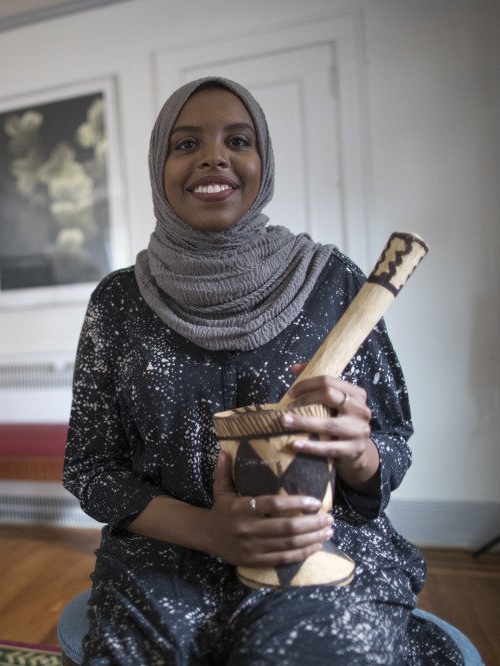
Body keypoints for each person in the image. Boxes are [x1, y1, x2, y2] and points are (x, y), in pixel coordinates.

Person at [62, 76, 463, 664]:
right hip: (165, 554)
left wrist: (359, 454)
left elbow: (392, 440)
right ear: (159, 167)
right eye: (185, 143)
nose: (213, 156)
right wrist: (210, 532)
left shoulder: (332, 284)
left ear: (262, 162)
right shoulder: (119, 303)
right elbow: (91, 467)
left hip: (323, 541)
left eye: (238, 140)